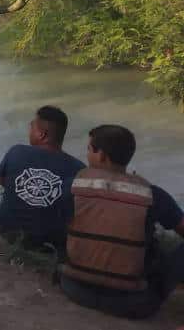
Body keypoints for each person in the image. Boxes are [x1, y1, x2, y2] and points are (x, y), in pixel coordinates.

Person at [60, 125, 184, 319]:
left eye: (89, 149)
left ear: (101, 155)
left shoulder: (72, 186)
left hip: (74, 289)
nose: (87, 154)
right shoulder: (153, 195)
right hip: (135, 304)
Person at [0, 106, 85, 250]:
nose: (29, 131)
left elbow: (3, 181)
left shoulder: (16, 151)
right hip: (51, 242)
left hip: (8, 232)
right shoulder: (79, 169)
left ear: (42, 135)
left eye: (32, 127)